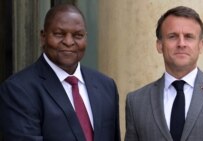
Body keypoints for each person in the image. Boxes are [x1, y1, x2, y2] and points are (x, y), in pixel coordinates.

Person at [125, 6, 203, 141]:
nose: (181, 43)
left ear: (200, 45)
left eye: (189, 37)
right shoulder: (136, 101)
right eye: (172, 36)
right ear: (159, 45)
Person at [0, 4, 120, 141]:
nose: (69, 42)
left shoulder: (106, 86)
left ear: (86, 38)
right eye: (59, 34)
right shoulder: (18, 90)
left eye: (78, 35)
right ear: (43, 37)